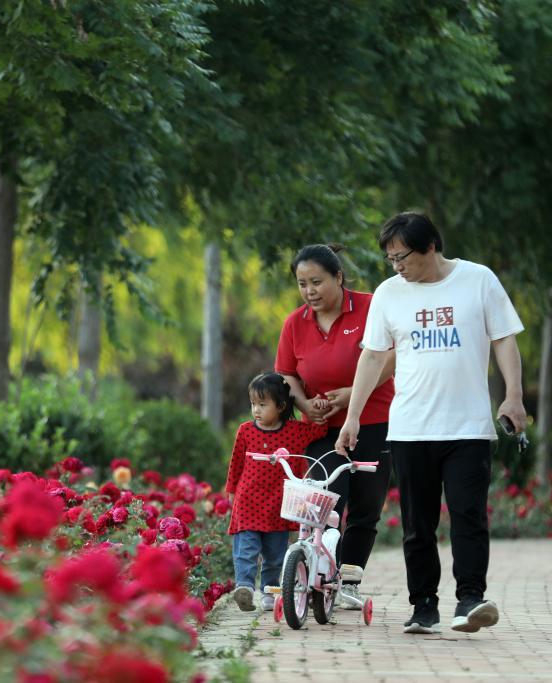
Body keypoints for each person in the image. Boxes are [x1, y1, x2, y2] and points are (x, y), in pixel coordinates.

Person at [336, 212, 526, 635]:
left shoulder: (478, 280)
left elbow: (504, 338)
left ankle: (470, 600)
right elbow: (372, 357)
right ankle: (423, 606)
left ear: (430, 247)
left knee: (468, 516)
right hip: (409, 428)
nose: (397, 266)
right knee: (416, 524)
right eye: (390, 259)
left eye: (402, 256)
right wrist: (352, 416)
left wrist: (513, 396)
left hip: (467, 427)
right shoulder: (389, 294)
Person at [275, 244, 396, 611]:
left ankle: (350, 579)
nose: (309, 291)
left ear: (338, 277)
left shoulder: (371, 305)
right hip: (322, 430)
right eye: (302, 284)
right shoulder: (295, 323)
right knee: (326, 501)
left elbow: (392, 355)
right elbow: (286, 373)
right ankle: (317, 574)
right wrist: (303, 404)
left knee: (366, 506)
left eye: (317, 282)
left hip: (375, 421)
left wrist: (352, 395)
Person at [225, 372, 328, 611]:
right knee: (246, 549)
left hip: (279, 504)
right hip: (248, 501)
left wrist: (318, 404)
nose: (256, 410)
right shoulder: (246, 431)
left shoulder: (295, 431)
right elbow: (236, 462)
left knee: (275, 555)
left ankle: (269, 593)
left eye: (262, 404)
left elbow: (320, 430)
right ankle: (245, 587)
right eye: (253, 404)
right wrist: (231, 490)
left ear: (281, 406)